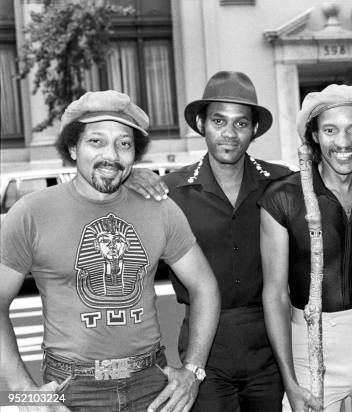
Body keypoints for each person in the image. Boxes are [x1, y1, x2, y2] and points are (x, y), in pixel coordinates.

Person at [0, 90, 221, 412]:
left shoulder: (159, 209)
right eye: (96, 141)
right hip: (71, 391)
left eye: (124, 143)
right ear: (73, 148)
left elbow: (205, 286)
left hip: (152, 386)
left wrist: (192, 372)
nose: (112, 155)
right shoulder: (31, 213)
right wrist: (24, 393)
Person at [129, 71, 291, 411]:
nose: (229, 134)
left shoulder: (281, 183)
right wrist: (129, 175)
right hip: (205, 351)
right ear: (202, 123)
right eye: (219, 121)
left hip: (269, 347)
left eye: (241, 124)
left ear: (255, 129)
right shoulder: (168, 191)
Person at [259, 84, 352, 412]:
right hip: (309, 339)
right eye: (329, 130)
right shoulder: (284, 198)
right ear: (314, 136)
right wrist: (290, 381)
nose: (343, 142)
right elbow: (275, 294)